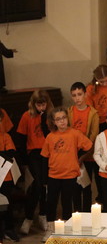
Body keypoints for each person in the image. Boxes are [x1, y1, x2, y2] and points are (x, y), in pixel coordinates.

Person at [41, 107, 93, 242]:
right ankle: (50, 228)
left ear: (67, 119)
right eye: (58, 119)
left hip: (70, 175)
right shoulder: (50, 137)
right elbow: (45, 156)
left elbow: (88, 146)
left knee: (67, 203)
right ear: (53, 122)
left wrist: (78, 159)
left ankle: (66, 229)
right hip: (53, 175)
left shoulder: (75, 133)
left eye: (64, 118)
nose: (62, 121)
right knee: (51, 202)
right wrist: (44, 178)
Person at [18, 90, 54, 235]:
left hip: (49, 154)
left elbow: (51, 135)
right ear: (34, 104)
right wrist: (24, 161)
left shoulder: (50, 116)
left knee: (45, 185)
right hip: (33, 154)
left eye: (43, 104)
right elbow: (21, 138)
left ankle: (42, 215)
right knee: (37, 185)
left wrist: (44, 118)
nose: (41, 108)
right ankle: (28, 218)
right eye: (38, 105)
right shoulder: (26, 116)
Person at [68, 82, 99, 212]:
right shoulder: (69, 112)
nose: (77, 98)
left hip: (88, 154)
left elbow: (94, 135)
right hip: (73, 154)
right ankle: (76, 213)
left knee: (86, 185)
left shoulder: (93, 113)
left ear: (85, 94)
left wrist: (85, 153)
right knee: (75, 186)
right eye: (74, 95)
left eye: (80, 94)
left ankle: (86, 213)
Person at [0, 110, 20, 242]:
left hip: (5, 176)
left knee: (7, 204)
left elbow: (10, 154)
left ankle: (8, 228)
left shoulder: (5, 136)